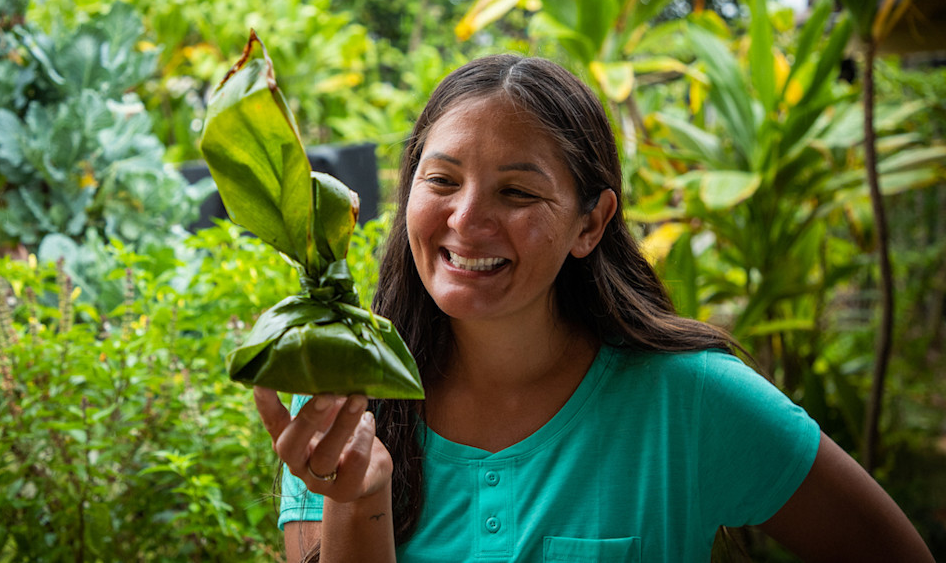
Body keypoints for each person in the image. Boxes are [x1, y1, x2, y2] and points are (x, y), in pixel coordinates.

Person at [252, 54, 934, 562]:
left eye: (517, 193)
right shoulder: (342, 401)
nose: (467, 218)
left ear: (590, 223)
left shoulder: (692, 402)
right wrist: (358, 499)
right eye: (442, 180)